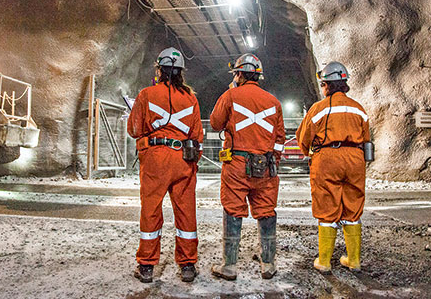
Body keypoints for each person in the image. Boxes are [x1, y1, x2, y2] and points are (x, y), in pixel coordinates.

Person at [127, 47, 203, 284]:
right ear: (181, 72)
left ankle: (147, 266)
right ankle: (188, 265)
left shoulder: (146, 94)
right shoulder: (191, 98)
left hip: (155, 159)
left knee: (151, 210)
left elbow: (134, 129)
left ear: (159, 70)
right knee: (186, 212)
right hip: (183, 159)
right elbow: (197, 134)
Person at [209, 53, 285, 280]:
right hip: (266, 165)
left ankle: (230, 266)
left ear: (239, 74)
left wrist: (231, 89)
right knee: (266, 211)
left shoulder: (230, 95)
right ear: (258, 76)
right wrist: (274, 163)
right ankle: (268, 263)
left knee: (233, 209)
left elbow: (215, 123)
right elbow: (280, 138)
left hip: (237, 165)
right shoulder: (274, 102)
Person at [296, 61, 370, 273]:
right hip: (355, 158)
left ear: (326, 85)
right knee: (353, 208)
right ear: (344, 84)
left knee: (327, 209)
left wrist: (310, 154)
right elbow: (366, 139)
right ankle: (354, 260)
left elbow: (303, 139)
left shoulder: (318, 109)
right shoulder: (359, 109)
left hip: (327, 159)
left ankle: (325, 261)